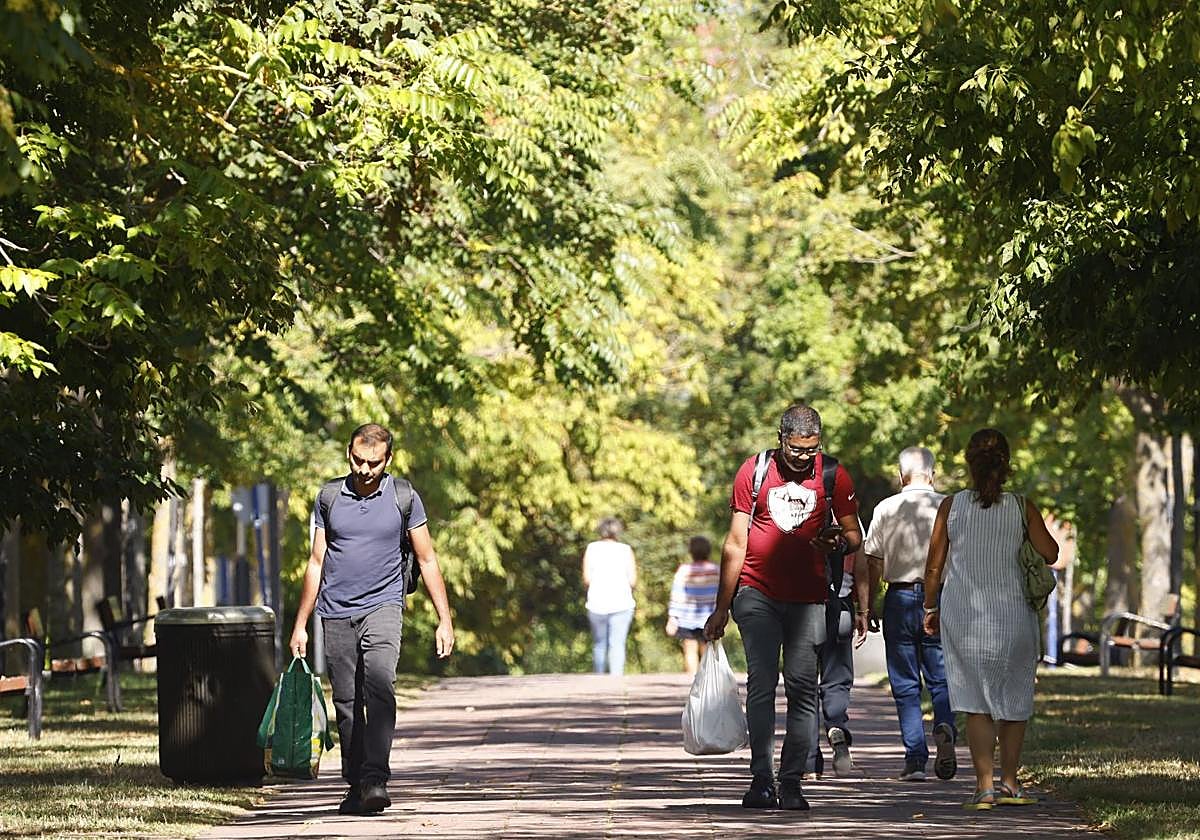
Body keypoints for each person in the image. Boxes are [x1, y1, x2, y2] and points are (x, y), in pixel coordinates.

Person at [289, 423, 455, 816]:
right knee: (347, 701)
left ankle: (376, 778)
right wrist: (300, 623)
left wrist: (444, 619)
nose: (365, 469)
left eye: (374, 463)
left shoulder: (404, 497)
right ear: (349, 454)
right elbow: (315, 563)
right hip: (336, 611)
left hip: (384, 605)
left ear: (388, 460)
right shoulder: (329, 497)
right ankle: (356, 783)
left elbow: (428, 559)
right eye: (358, 460)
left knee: (379, 686)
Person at [704, 404, 862, 812]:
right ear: (781, 440)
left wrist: (837, 543)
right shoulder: (753, 472)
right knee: (761, 682)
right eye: (796, 450)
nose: (804, 458)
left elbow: (853, 535)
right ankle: (761, 778)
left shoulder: (832, 474)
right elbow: (736, 542)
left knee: (802, 687)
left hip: (809, 598)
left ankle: (791, 781)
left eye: (811, 449)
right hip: (757, 593)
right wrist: (722, 606)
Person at [922, 428, 1058, 810]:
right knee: (1015, 699)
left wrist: (929, 608)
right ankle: (1010, 784)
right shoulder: (1021, 506)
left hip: (962, 614)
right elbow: (1050, 552)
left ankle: (983, 788)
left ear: (969, 463)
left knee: (975, 702)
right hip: (1014, 614)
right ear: (1007, 463)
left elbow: (934, 567)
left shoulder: (951, 506)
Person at [863, 446, 956, 782]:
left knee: (904, 683)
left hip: (900, 598)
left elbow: (872, 559)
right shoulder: (950, 506)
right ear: (933, 472)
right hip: (941, 599)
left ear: (900, 473)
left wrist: (869, 604)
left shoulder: (886, 508)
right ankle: (946, 727)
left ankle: (915, 759)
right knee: (941, 676)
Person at [805, 544, 870, 780]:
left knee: (804, 685)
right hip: (841, 606)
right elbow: (861, 568)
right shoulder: (848, 519)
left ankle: (810, 761)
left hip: (803, 606)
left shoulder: (795, 511)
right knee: (837, 680)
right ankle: (836, 726)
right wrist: (864, 610)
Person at [583, 516, 637, 675]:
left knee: (599, 644)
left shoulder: (591, 549)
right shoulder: (626, 550)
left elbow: (586, 579)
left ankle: (599, 677)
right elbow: (633, 580)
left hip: (596, 603)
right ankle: (616, 679)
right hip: (622, 603)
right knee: (617, 644)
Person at [666, 535, 720, 675]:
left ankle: (691, 680)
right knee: (707, 651)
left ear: (691, 551)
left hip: (687, 618)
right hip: (709, 618)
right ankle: (706, 681)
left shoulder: (684, 570)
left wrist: (673, 617)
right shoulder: (716, 570)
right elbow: (721, 594)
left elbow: (677, 595)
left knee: (690, 651)